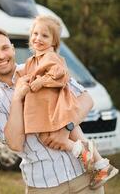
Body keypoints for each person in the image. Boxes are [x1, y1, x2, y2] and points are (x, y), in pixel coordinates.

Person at [0, 27, 105, 193]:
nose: (1, 56)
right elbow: (15, 144)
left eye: (4, 48)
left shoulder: (41, 66)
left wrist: (65, 129)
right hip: (44, 185)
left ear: (13, 49)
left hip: (84, 177)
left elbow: (86, 99)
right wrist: (17, 98)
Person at [19, 15, 118, 188]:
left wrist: (40, 81)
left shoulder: (50, 56)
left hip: (59, 107)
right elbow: (26, 76)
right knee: (68, 137)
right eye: (35, 33)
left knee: (66, 138)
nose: (38, 38)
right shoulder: (33, 60)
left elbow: (60, 73)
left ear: (54, 42)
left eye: (45, 35)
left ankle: (98, 165)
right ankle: (98, 164)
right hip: (50, 109)